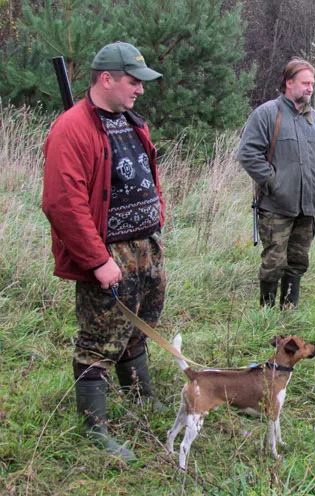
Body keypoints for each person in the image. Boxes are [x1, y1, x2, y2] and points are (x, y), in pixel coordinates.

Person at [42, 42, 165, 459]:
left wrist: (156, 221)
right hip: (108, 253)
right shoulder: (71, 128)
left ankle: (141, 400)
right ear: (106, 79)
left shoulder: (132, 121)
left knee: (140, 324)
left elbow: (147, 172)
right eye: (133, 82)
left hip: (146, 245)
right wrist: (97, 260)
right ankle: (95, 431)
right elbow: (63, 203)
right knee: (98, 338)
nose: (140, 91)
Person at [237, 58, 315, 309]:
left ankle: (289, 311)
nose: (310, 88)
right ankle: (266, 315)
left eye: (312, 83)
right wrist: (274, 182)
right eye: (305, 83)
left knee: (298, 260)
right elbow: (248, 154)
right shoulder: (267, 114)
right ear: (288, 83)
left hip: (308, 206)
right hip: (276, 206)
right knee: (274, 261)